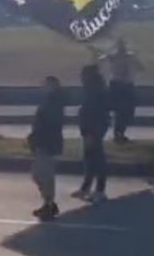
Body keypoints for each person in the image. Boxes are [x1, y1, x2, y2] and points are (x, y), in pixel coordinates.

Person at [28, 76, 65, 220]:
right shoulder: (50, 101)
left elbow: (48, 125)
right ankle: (48, 203)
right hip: (44, 143)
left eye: (46, 85)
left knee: (43, 175)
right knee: (41, 175)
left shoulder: (53, 103)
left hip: (47, 144)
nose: (43, 87)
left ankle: (49, 204)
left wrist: (39, 138)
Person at [93, 39, 143, 143]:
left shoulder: (128, 56)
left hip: (124, 85)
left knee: (126, 111)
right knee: (120, 111)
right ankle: (118, 134)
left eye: (122, 46)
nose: (121, 48)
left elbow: (140, 67)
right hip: (118, 85)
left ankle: (120, 133)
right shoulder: (114, 56)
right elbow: (100, 59)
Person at [74, 64, 111, 203]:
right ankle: (87, 187)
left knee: (96, 159)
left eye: (83, 74)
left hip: (94, 127)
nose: (81, 78)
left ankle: (99, 190)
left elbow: (94, 112)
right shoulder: (93, 88)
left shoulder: (95, 90)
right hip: (91, 127)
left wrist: (90, 131)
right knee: (90, 157)